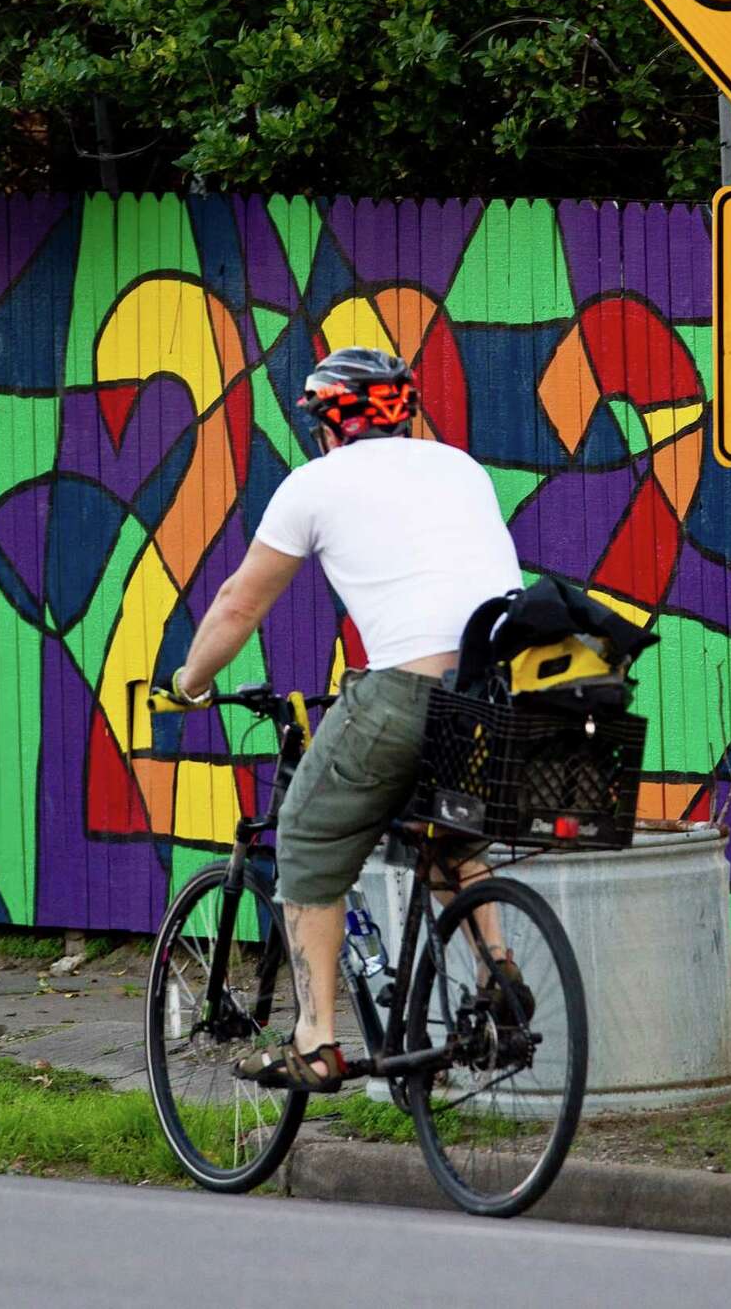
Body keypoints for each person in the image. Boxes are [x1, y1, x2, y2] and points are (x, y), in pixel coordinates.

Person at [167, 346, 524, 1090]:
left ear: (328, 421)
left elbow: (239, 601)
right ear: (403, 411)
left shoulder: (315, 485)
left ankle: (317, 1038)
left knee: (303, 834)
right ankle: (499, 970)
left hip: (404, 694)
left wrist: (190, 681)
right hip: (496, 698)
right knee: (448, 835)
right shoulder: (461, 467)